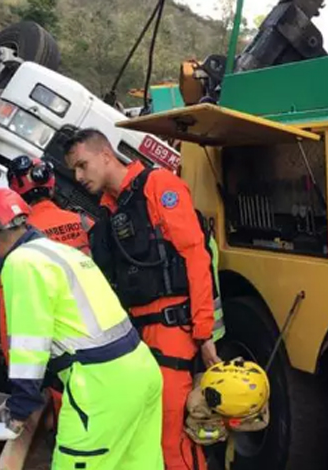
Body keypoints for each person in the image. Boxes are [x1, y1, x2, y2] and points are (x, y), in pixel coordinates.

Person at [0, 187, 163, 470]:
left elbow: (29, 344)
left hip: (100, 390)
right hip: (141, 371)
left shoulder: (21, 263)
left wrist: (17, 413)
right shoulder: (61, 252)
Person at [64, 128, 222, 470]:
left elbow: (195, 256)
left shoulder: (159, 186)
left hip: (171, 332)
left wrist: (204, 333)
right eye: (74, 170)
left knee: (172, 433)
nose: (78, 177)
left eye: (82, 165)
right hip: (135, 338)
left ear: (106, 155)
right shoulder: (110, 210)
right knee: (146, 432)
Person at [0, 155, 96, 426]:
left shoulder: (19, 240)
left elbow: (12, 315)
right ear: (51, 183)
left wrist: (18, 373)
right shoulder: (84, 223)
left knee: (73, 426)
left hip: (58, 350)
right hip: (102, 339)